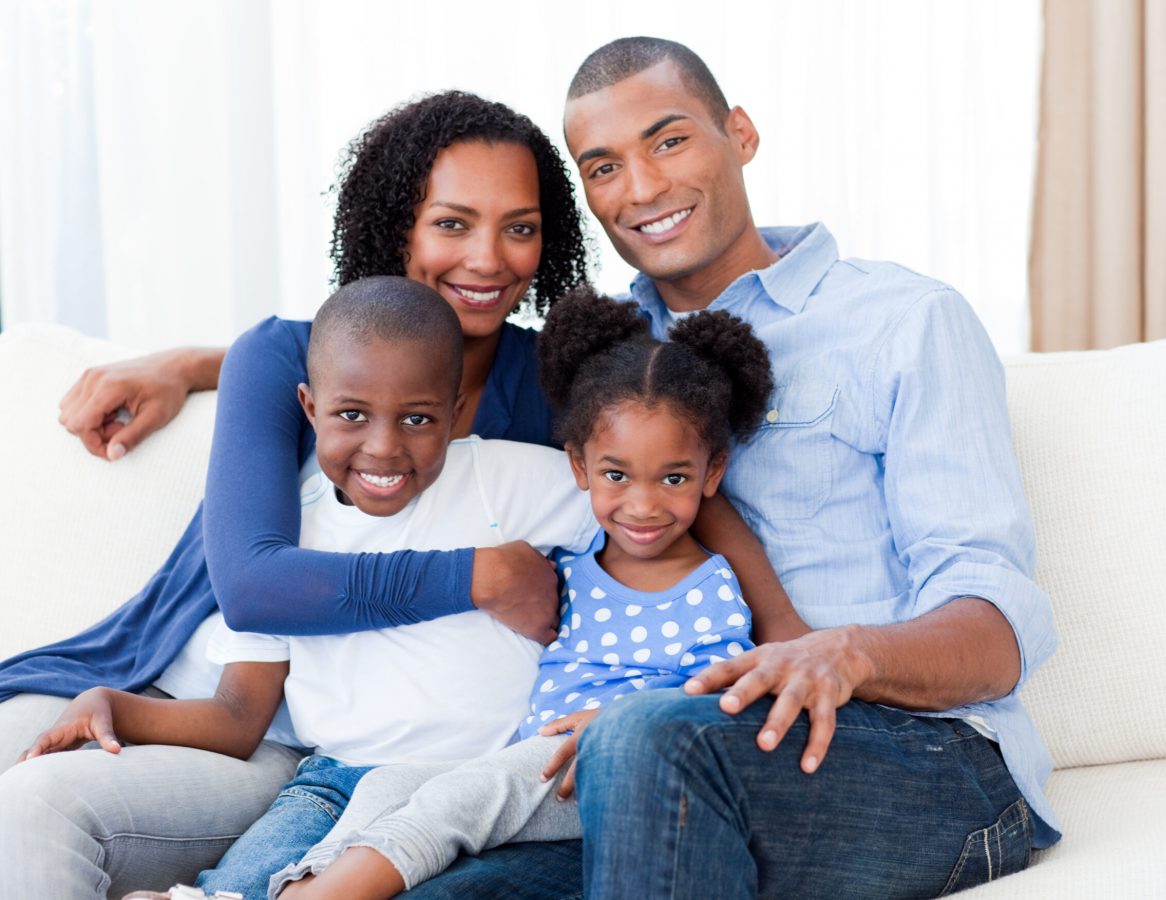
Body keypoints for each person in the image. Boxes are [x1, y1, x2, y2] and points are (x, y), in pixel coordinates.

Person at [0, 86, 791, 898]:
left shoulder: (552, 388)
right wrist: (477, 574)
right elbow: (253, 583)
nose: (488, 258)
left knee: (38, 806)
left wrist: (790, 635)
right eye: (452, 223)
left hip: (329, 747)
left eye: (519, 229)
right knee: (16, 775)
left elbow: (668, 473)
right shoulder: (288, 360)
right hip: (185, 682)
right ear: (396, 225)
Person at [18, 276, 603, 900]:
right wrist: (118, 705)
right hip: (328, 786)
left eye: (417, 418)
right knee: (238, 886)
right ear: (307, 407)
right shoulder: (286, 543)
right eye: (351, 415)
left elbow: (639, 513)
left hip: (473, 778)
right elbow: (240, 716)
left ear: (456, 411)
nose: (384, 447)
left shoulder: (504, 479)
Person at [262, 288, 778, 900]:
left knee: (462, 797)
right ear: (580, 469)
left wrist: (620, 725)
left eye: (673, 478)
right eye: (617, 476)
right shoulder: (574, 563)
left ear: (710, 475)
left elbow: (720, 697)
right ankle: (300, 882)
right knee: (388, 785)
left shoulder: (710, 587)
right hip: (534, 758)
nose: (643, 504)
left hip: (606, 770)